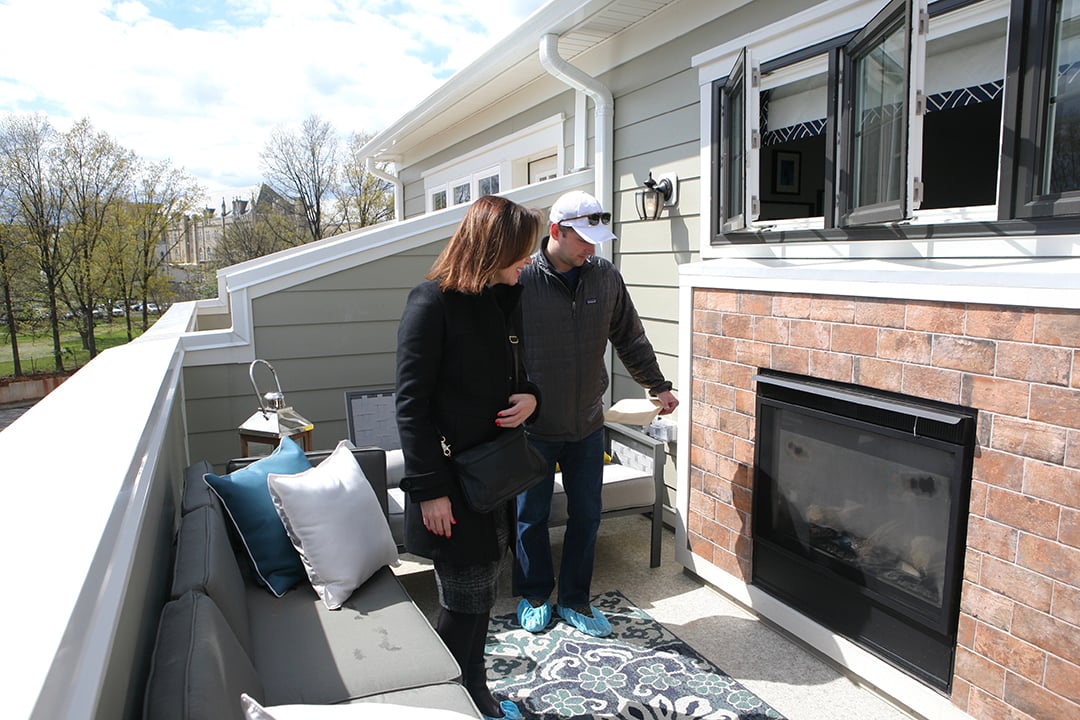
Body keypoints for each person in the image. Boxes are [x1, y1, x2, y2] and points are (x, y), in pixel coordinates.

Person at [395, 195, 544, 720]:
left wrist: (532, 398)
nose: (532, 257)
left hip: (494, 480)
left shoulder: (504, 298)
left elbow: (516, 377)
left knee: (481, 593)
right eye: (523, 249)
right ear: (494, 247)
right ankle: (461, 700)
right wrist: (429, 490)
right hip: (452, 489)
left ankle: (468, 687)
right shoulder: (430, 303)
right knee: (463, 602)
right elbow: (411, 406)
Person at [514, 190, 678, 637]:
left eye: (595, 239)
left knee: (587, 514)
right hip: (533, 428)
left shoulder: (605, 277)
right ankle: (533, 595)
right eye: (583, 239)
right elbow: (496, 351)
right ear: (555, 232)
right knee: (531, 516)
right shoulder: (521, 278)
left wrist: (657, 385)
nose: (591, 248)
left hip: (587, 422)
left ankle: (574, 600)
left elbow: (630, 337)